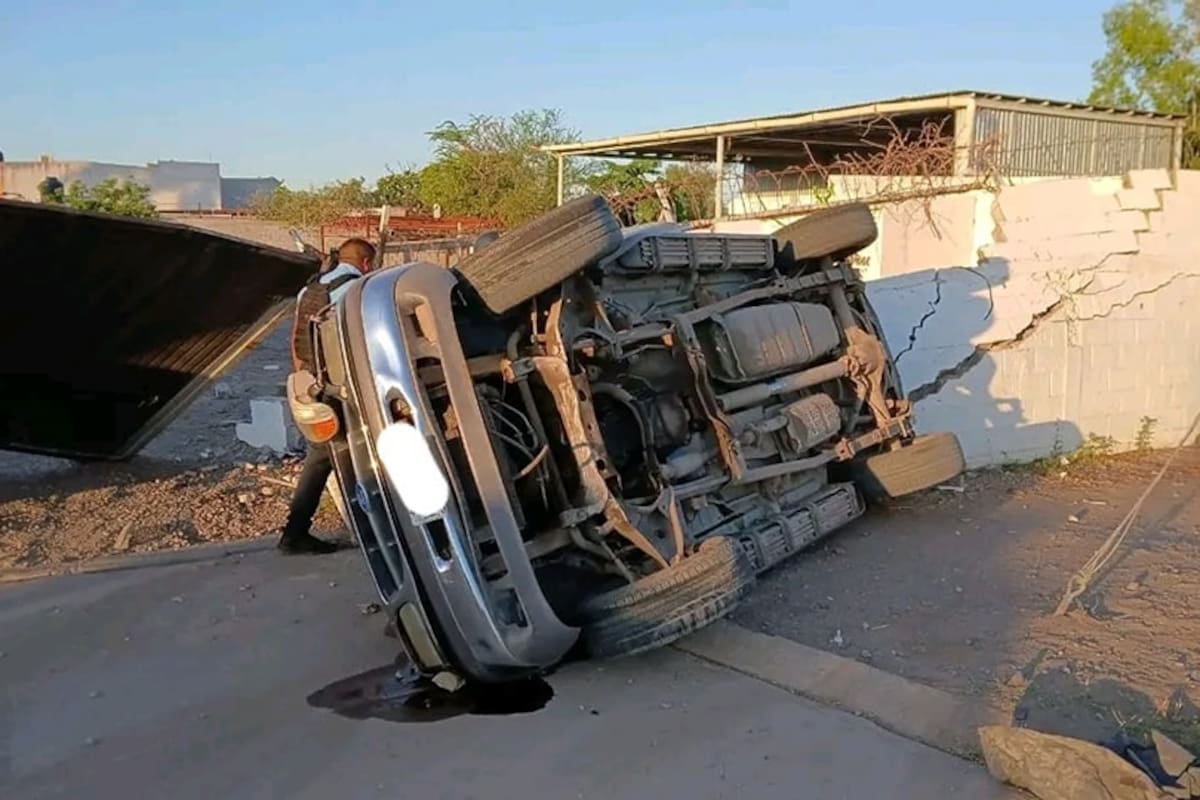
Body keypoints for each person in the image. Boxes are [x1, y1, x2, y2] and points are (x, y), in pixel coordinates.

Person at [277, 237, 377, 555]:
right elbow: (362, 344)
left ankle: (298, 532)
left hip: (312, 384)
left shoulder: (310, 288)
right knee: (346, 455)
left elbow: (297, 338)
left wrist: (305, 380)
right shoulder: (356, 290)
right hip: (341, 389)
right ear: (366, 263)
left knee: (325, 457)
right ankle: (366, 533)